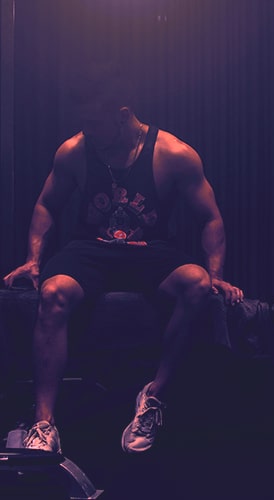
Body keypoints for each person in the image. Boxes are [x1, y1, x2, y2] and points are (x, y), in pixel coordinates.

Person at [2, 62, 244, 454]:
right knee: (52, 292)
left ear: (123, 116)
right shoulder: (76, 150)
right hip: (92, 249)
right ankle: (43, 425)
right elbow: (47, 205)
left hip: (150, 252)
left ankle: (152, 396)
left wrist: (216, 273)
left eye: (95, 123)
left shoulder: (174, 154)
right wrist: (33, 260)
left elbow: (210, 218)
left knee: (198, 284)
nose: (89, 133)